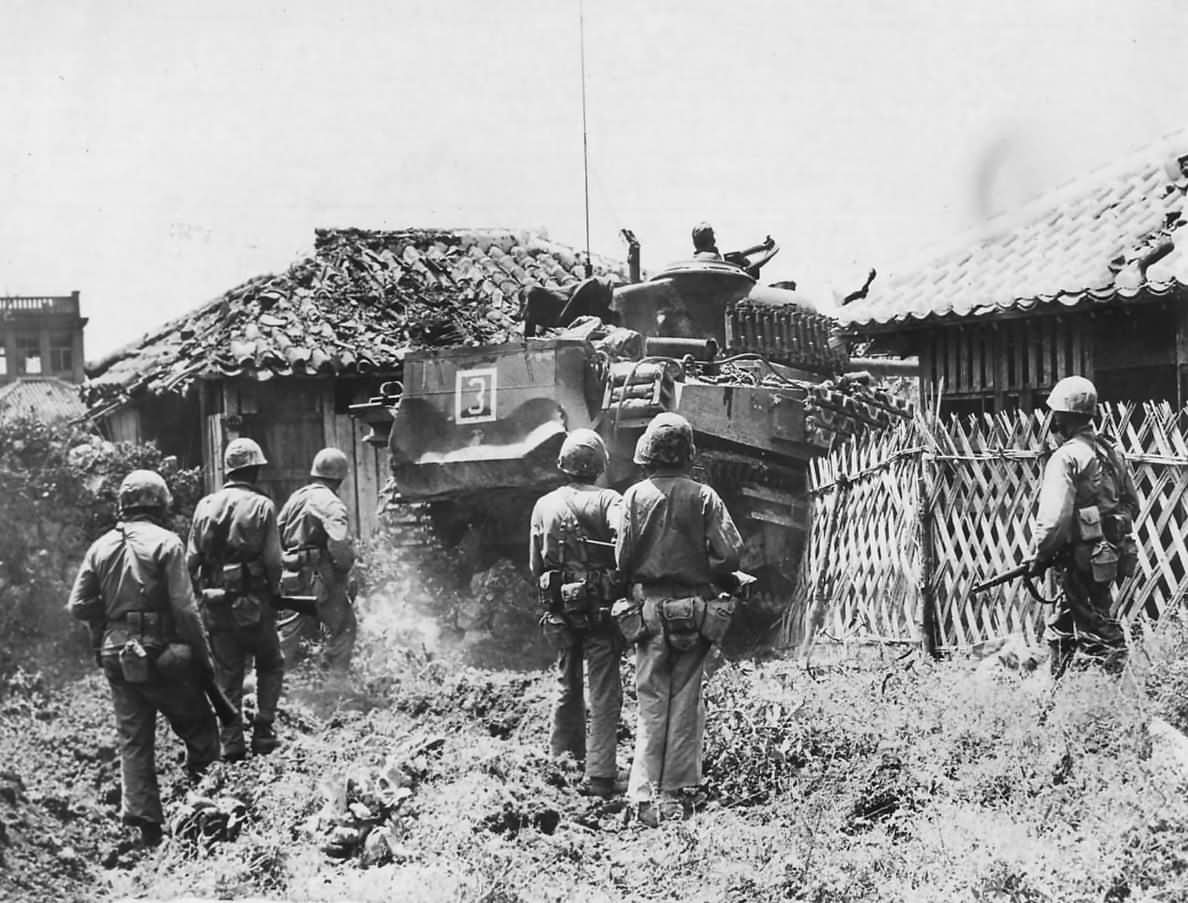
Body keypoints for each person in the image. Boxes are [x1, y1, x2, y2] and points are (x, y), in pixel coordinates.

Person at [66, 469, 219, 847]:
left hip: (115, 652)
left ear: (124, 505)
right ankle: (204, 805)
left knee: (133, 737)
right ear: (159, 504)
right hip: (159, 650)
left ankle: (146, 825)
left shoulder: (100, 547)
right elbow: (185, 610)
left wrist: (106, 626)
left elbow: (78, 605)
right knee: (198, 726)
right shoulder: (167, 543)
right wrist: (203, 660)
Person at [615, 412, 743, 826]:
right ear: (688, 453)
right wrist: (714, 574)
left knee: (650, 700)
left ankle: (641, 797)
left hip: (649, 611)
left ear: (649, 453)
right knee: (685, 702)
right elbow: (730, 554)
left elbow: (621, 558)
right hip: (694, 612)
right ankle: (671, 796)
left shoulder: (633, 497)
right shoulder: (704, 497)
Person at [529, 429, 625, 798]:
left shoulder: (542, 505)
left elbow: (535, 564)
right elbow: (623, 546)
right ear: (600, 465)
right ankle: (600, 776)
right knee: (603, 690)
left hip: (559, 610)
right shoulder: (609, 500)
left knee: (567, 683)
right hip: (599, 610)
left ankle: (562, 762)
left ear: (563, 464)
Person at [1026, 376, 1140, 679]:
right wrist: (1107, 528)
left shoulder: (1066, 458)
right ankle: (1053, 697)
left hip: (1080, 559)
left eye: (1055, 416)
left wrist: (1039, 555)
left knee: (1099, 630)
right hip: (1107, 555)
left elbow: (1054, 520)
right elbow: (1132, 504)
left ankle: (1121, 698)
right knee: (1065, 623)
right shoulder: (1111, 452)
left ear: (1061, 417)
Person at [187, 438, 285, 760]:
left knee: (227, 674)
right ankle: (263, 730)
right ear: (255, 470)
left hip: (216, 606)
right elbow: (273, 561)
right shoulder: (262, 506)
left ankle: (231, 743)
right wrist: (274, 592)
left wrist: (202, 595)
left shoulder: (204, 506)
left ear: (228, 470)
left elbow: (190, 561)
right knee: (270, 664)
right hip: (254, 605)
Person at [277, 447, 358, 671]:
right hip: (319, 578)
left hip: (291, 575)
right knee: (344, 626)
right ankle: (333, 681)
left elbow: (277, 532)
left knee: (287, 632)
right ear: (340, 477)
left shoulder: (296, 498)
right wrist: (345, 570)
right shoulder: (331, 504)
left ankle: (263, 681)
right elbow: (338, 544)